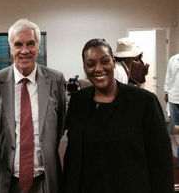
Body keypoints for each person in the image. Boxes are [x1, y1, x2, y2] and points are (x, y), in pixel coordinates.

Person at [62, 38, 174, 193]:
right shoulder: (78, 102)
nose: (98, 68)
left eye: (105, 61)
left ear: (113, 62)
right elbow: (72, 157)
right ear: (84, 67)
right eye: (91, 64)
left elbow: (161, 162)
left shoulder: (144, 102)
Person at [0, 19, 66, 193]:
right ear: (11, 48)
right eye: (18, 44)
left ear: (39, 47)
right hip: (6, 182)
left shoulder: (55, 80)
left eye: (31, 44)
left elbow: (59, 127)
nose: (25, 50)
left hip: (44, 182)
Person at [164, 53, 179, 167]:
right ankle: (171, 156)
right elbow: (168, 77)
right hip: (174, 97)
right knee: (174, 127)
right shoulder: (173, 59)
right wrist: (166, 92)